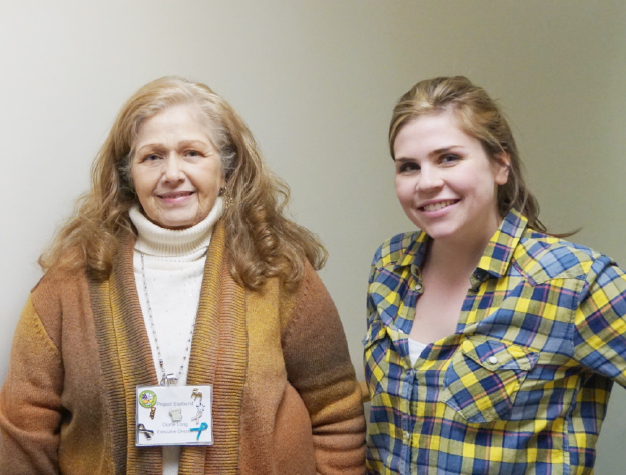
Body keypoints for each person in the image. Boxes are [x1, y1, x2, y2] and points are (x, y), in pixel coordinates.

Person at [0, 76, 366, 474]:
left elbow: (336, 413)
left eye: (192, 153)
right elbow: (23, 428)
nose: (172, 173)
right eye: (152, 157)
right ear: (128, 176)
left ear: (226, 170)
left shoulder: (277, 269)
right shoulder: (70, 281)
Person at [364, 76, 626, 474]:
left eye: (448, 157)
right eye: (409, 167)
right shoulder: (390, 266)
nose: (427, 182)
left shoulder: (573, 281)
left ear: (500, 164)